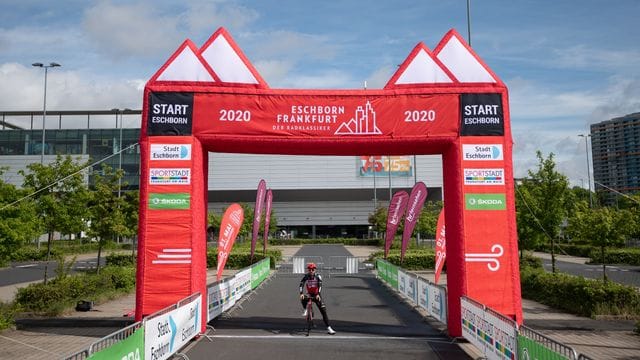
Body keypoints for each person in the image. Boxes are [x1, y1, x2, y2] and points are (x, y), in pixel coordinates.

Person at [299, 262, 336, 335]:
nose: (311, 271)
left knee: (323, 311)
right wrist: (301, 293)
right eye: (309, 269)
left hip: (316, 295)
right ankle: (305, 309)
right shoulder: (306, 276)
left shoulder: (318, 276)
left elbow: (320, 285)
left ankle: (329, 328)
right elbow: (301, 284)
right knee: (302, 298)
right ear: (308, 270)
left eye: (313, 269)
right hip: (309, 294)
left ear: (315, 270)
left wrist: (318, 294)